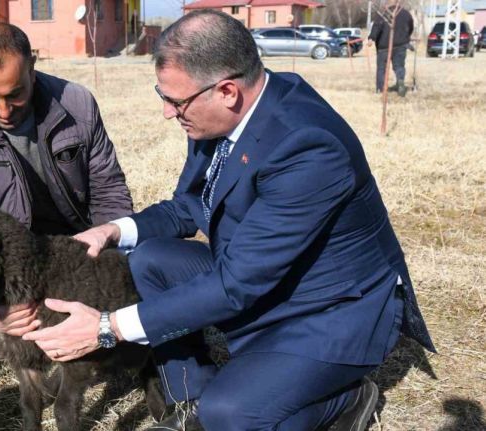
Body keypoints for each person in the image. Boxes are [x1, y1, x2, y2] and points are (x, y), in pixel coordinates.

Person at [22, 10, 435, 431]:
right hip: (265, 279)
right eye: (162, 95)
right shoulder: (221, 117)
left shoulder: (307, 148)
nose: (168, 113)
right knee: (149, 259)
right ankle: (190, 400)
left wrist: (109, 327)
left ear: (227, 91)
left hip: (329, 311)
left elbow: (237, 284)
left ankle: (346, 399)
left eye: (175, 101)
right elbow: (189, 205)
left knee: (232, 414)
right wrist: (114, 230)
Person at [0, 22, 133, 403]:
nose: (4, 110)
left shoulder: (77, 104)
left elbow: (109, 191)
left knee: (138, 249)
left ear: (32, 67)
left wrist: (109, 248)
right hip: (7, 247)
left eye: (15, 94)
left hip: (72, 235)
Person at [368, 1, 414, 96]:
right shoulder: (405, 13)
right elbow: (411, 26)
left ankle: (380, 89)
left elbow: (377, 26)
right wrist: (406, 37)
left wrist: (371, 38)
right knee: (399, 66)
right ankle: (400, 83)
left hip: (384, 45)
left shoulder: (383, 13)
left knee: (382, 68)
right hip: (401, 44)